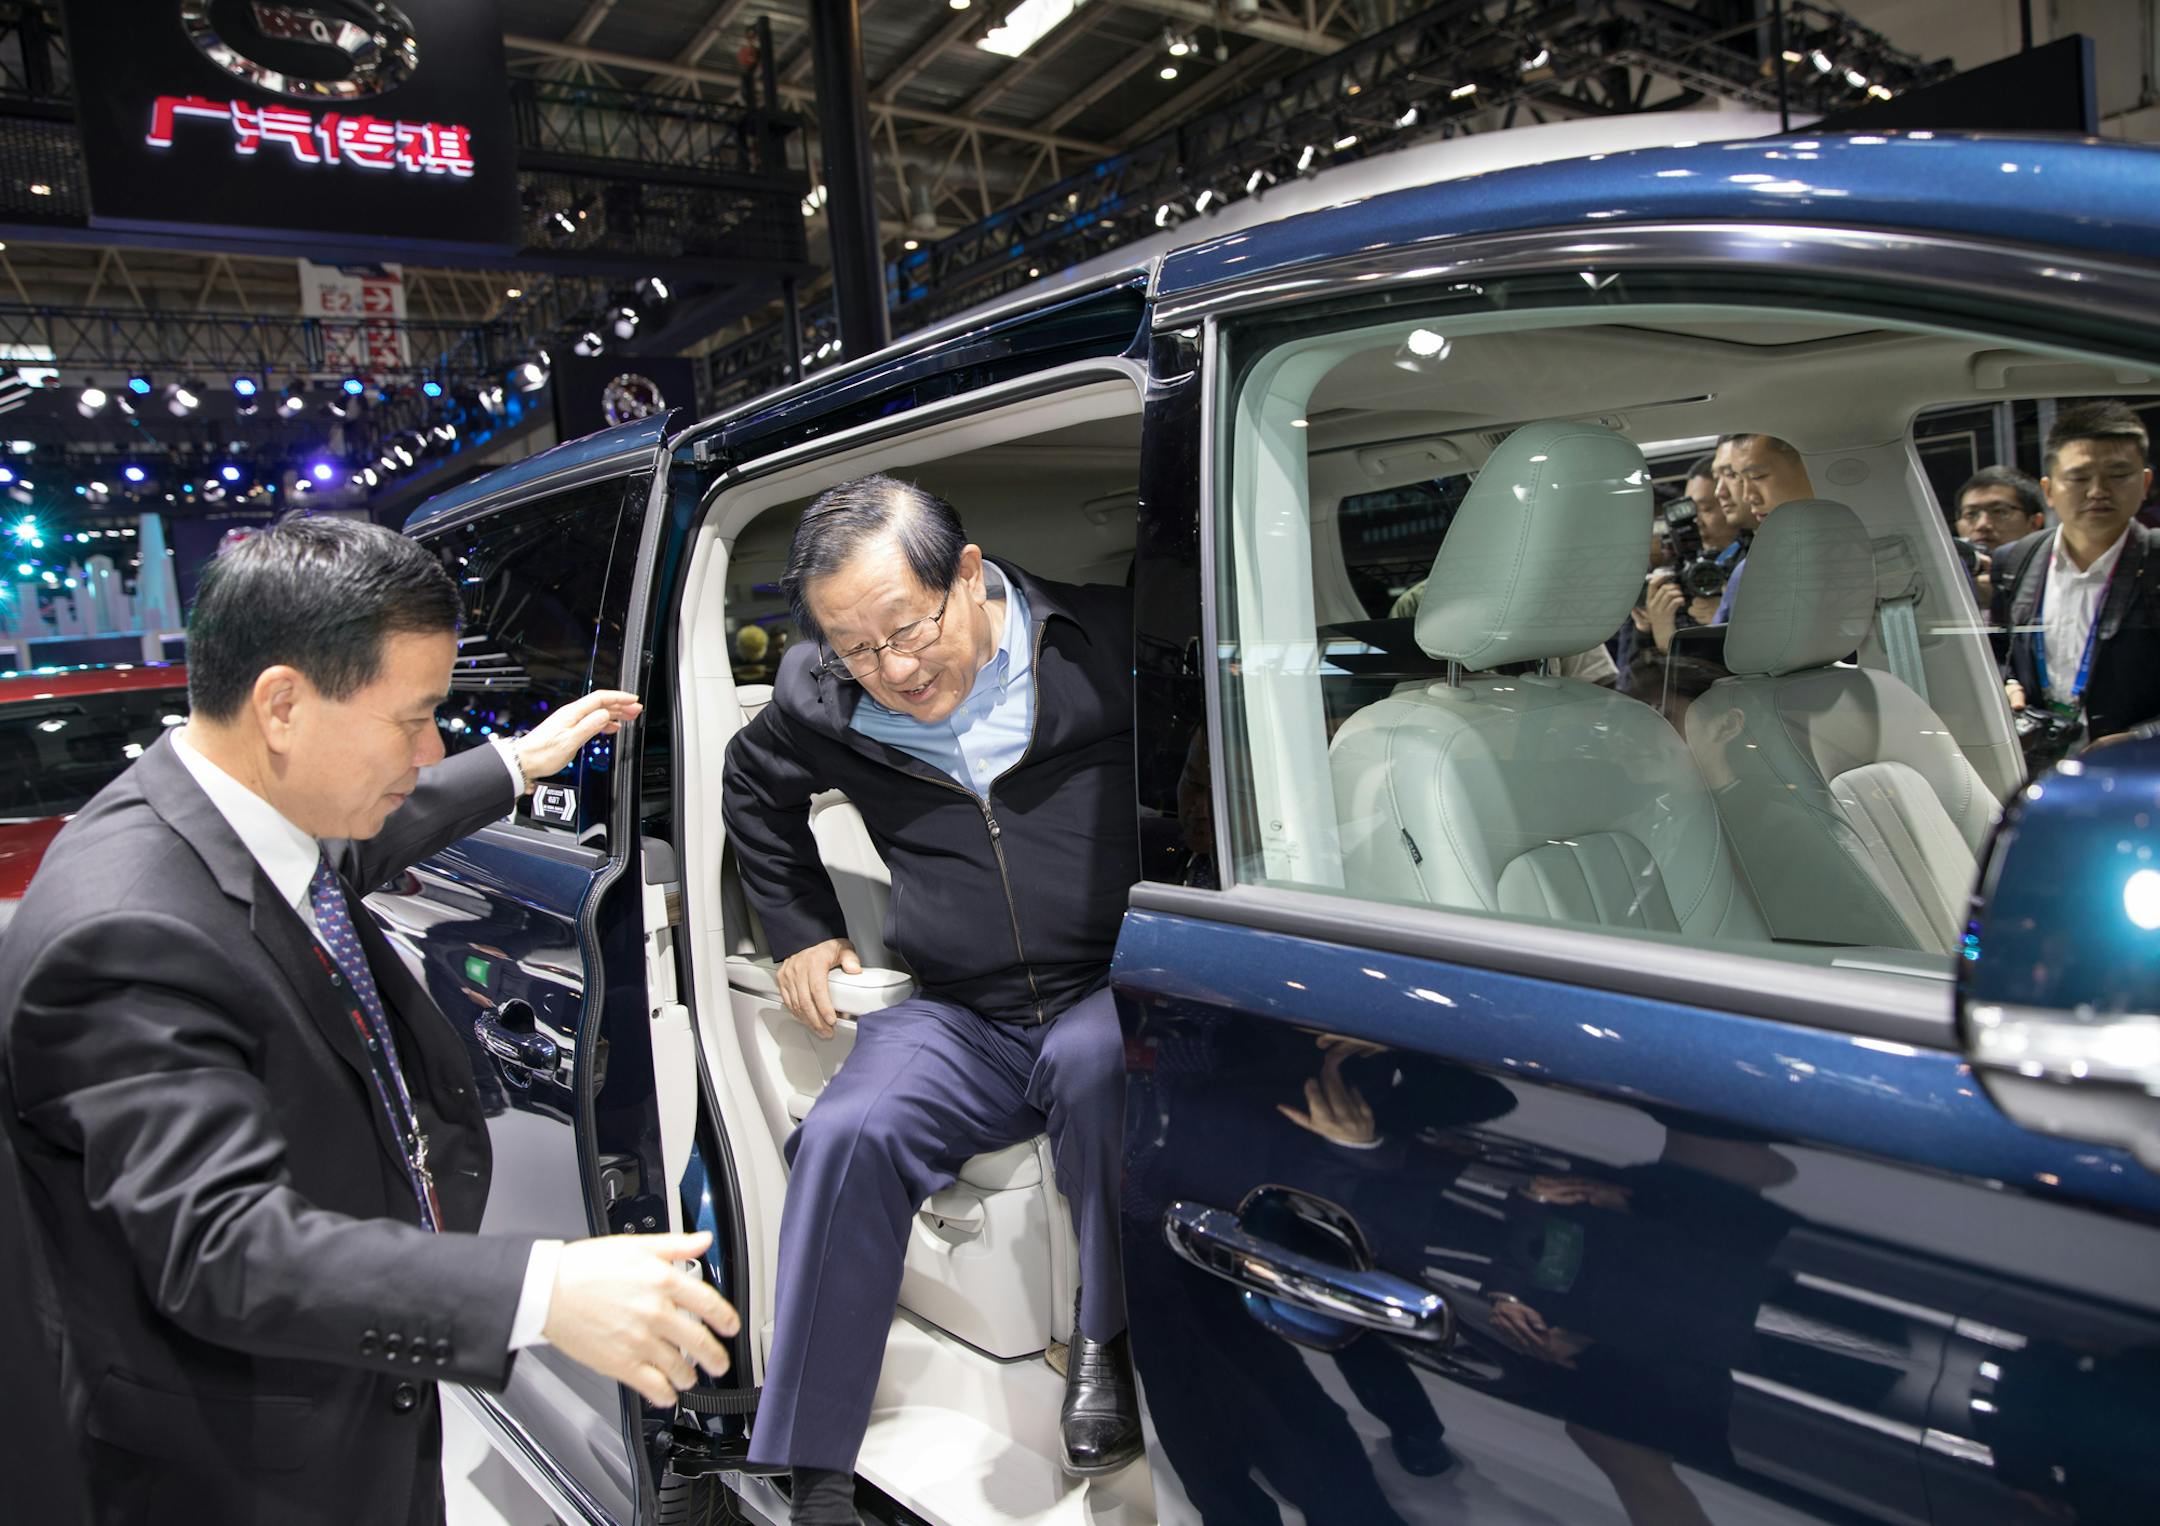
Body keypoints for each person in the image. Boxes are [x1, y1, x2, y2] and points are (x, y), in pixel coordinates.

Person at [0, 517, 740, 1525]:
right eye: (415, 717)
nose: (430, 748)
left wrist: (517, 763)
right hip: (240, 1467)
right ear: (283, 705)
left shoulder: (244, 819)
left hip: (338, 1407)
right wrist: (541, 1289)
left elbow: (363, 842)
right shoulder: (127, 930)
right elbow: (222, 1245)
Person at [722, 474, 1142, 1524]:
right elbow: (751, 785)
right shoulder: (817, 698)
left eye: (908, 629)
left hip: (1110, 984)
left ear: (966, 574)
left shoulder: (1111, 642)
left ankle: (1106, 1341)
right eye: (855, 647)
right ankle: (816, 1468)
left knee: (1099, 1066)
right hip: (961, 1010)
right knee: (848, 1130)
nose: (895, 670)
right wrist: (800, 924)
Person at [1991, 400, 2160, 765]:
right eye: (2079, 478)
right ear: (2049, 490)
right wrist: (2006, 685)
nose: (2097, 490)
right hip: (2037, 764)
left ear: (2145, 482)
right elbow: (1999, 651)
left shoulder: (2155, 559)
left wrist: (2141, 738)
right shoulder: (2016, 560)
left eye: (2118, 474)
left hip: (2140, 768)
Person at [1955, 465, 2047, 606]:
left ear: (2034, 523)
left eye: (1999, 511)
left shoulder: (2052, 581)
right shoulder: (1944, 582)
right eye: (1971, 514)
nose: (1982, 524)